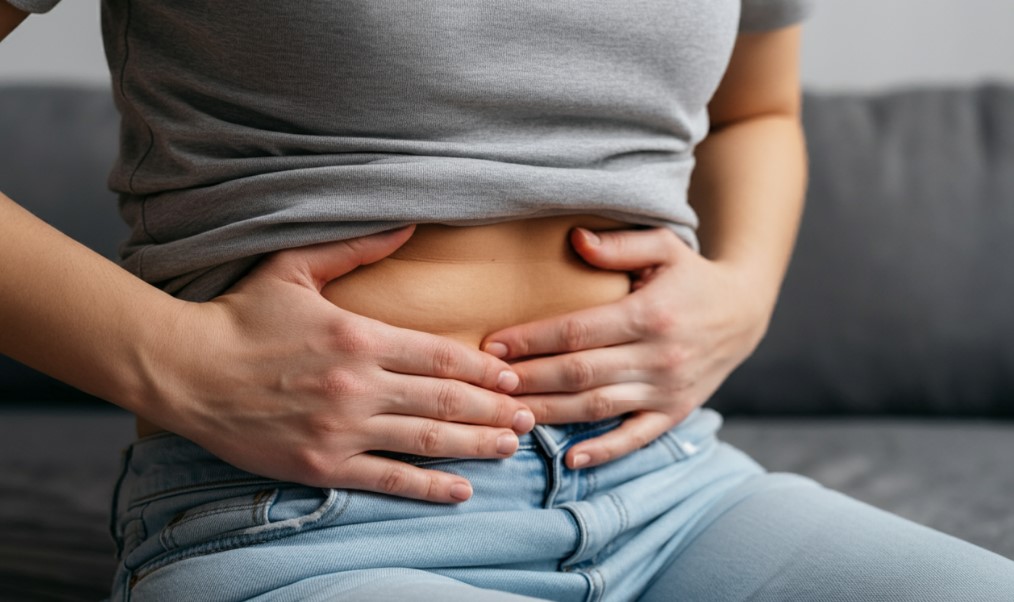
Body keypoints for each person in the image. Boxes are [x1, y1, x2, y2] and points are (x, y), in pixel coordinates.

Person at [3, 1, 1014, 600]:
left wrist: (742, 292)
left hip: (673, 491)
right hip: (314, 523)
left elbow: (755, 109)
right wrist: (174, 360)